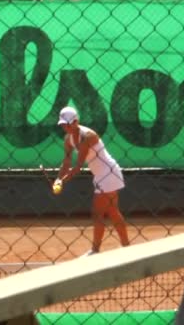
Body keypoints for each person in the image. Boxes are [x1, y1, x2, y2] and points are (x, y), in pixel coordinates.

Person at [56, 106, 129, 256]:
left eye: (67, 124)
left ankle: (96, 250)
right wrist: (57, 179)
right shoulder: (68, 139)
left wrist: (63, 181)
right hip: (100, 175)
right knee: (113, 211)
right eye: (62, 124)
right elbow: (67, 162)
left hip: (109, 172)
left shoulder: (87, 136)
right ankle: (126, 246)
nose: (65, 127)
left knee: (98, 212)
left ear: (76, 121)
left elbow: (78, 166)